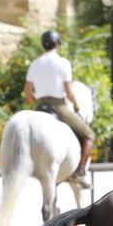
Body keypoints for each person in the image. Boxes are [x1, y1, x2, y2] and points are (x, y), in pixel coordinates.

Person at [23, 30, 95, 188]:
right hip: (58, 106)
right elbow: (69, 92)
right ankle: (80, 172)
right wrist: (76, 105)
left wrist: (36, 101)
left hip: (40, 106)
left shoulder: (35, 63)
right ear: (57, 44)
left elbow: (27, 92)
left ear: (43, 45)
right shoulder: (63, 62)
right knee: (89, 135)